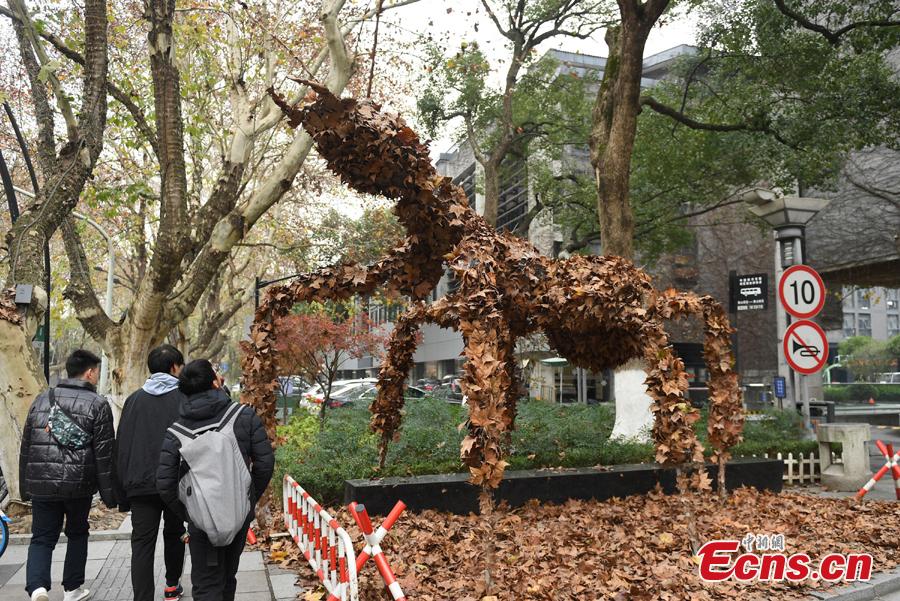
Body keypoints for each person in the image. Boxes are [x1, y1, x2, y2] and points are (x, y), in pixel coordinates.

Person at [157, 360, 274, 601]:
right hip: (238, 514)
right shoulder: (243, 416)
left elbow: (165, 483)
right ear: (214, 383)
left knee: (206, 582)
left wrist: (191, 513)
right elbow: (264, 464)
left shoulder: (176, 432)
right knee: (227, 577)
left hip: (201, 522)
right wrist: (246, 499)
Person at [19, 350, 116, 601]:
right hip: (78, 483)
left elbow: (26, 446)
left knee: (41, 537)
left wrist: (24, 487)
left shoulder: (42, 399)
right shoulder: (98, 404)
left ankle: (38, 588)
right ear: (90, 372)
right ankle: (72, 590)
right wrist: (110, 494)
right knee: (77, 533)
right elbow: (104, 455)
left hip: (42, 482)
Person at [114, 345, 187, 601]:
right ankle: (171, 585)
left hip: (140, 484)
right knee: (175, 533)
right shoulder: (184, 398)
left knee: (142, 543)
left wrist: (121, 487)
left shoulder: (133, 400)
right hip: (176, 482)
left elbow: (122, 444)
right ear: (174, 367)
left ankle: (142, 597)